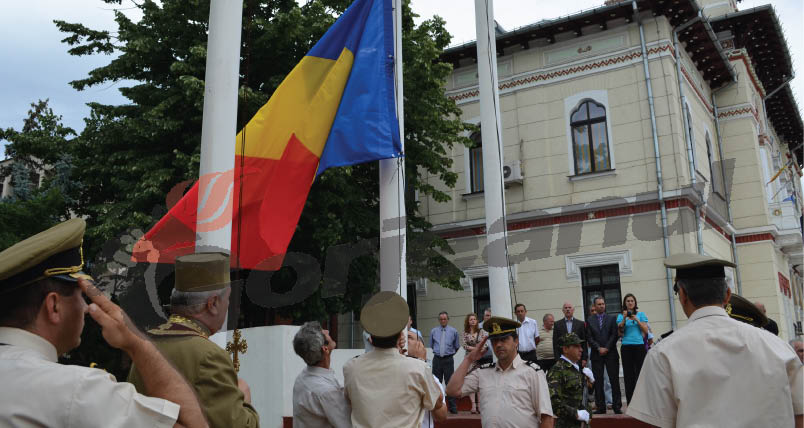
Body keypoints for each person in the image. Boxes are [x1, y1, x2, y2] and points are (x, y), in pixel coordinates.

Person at [0, 218, 208, 428]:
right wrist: (137, 343)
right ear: (53, 306)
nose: (85, 308)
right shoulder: (75, 390)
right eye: (81, 296)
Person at [627, 253, 804, 428]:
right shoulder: (779, 347)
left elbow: (656, 423)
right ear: (727, 294)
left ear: (682, 295)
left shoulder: (663, 354)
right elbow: (800, 417)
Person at [128, 253, 259, 428]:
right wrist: (244, 397)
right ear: (212, 304)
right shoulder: (209, 356)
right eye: (228, 299)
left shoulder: (147, 341)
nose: (229, 306)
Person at [344, 291, 446, 427]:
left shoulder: (351, 367)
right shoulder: (418, 368)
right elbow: (438, 403)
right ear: (400, 336)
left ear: (371, 336)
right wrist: (422, 363)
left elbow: (349, 402)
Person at [446, 316, 555, 428]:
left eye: (504, 339)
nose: (498, 345)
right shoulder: (483, 373)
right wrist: (468, 359)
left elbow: (546, 418)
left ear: (516, 341)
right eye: (494, 341)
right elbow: (452, 390)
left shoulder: (533, 372)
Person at [291, 322, 351, 428]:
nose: (328, 331)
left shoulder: (302, 377)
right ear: (325, 349)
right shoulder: (325, 391)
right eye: (324, 333)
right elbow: (347, 424)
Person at [547, 333, 594, 428]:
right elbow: (554, 403)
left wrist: (591, 382)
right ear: (565, 349)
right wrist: (576, 414)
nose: (581, 350)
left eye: (580, 346)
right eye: (576, 346)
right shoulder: (557, 370)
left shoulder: (577, 368)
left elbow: (584, 395)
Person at [585, 296, 622, 414]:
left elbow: (614, 335)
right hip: (597, 354)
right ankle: (601, 407)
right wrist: (598, 348)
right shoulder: (589, 320)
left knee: (614, 380)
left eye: (603, 304)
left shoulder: (612, 319)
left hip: (610, 353)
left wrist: (606, 348)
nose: (602, 306)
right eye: (599, 304)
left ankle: (617, 406)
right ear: (594, 306)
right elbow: (589, 337)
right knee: (598, 381)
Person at [616, 293, 649, 404]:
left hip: (639, 347)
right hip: (626, 347)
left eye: (632, 301)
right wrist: (625, 319)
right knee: (628, 375)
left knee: (640, 374)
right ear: (625, 303)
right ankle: (631, 402)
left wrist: (636, 319)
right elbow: (620, 331)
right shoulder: (621, 316)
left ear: (635, 303)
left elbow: (645, 330)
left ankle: (642, 401)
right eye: (628, 301)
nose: (630, 303)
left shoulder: (641, 314)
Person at [429, 311, 460, 414]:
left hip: (448, 359)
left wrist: (448, 354)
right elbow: (432, 345)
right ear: (439, 320)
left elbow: (456, 346)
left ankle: (452, 407)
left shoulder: (454, 331)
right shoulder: (433, 331)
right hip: (437, 359)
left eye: (444, 319)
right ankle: (437, 405)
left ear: (448, 319)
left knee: (449, 383)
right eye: (441, 319)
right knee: (436, 383)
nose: (443, 321)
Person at [461, 312, 489, 413]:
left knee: (479, 381)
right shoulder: (464, 332)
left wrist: (476, 350)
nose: (472, 321)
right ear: (468, 322)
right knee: (470, 381)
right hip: (469, 359)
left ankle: (480, 406)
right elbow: (464, 345)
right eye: (470, 319)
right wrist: (475, 348)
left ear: (477, 321)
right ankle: (473, 405)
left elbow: (485, 345)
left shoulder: (481, 331)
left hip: (479, 359)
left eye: (474, 319)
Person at [552, 303, 587, 368]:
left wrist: (584, 358)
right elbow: (555, 343)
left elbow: (584, 342)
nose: (568, 309)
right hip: (563, 357)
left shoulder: (581, 324)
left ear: (573, 310)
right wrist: (557, 359)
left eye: (569, 307)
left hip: (577, 357)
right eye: (565, 308)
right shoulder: (557, 324)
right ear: (563, 310)